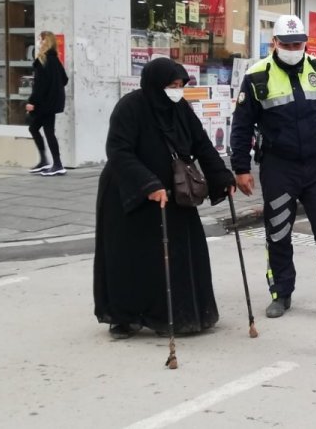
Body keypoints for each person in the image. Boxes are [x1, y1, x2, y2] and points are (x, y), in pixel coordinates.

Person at [230, 15, 316, 318]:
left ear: (306, 42)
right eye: (287, 44)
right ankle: (281, 293)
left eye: (298, 44)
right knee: (278, 233)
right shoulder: (256, 77)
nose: (293, 49)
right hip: (279, 167)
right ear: (274, 43)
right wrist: (240, 168)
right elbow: (241, 126)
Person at [93, 58, 237, 339]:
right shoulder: (130, 107)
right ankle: (125, 317)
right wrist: (147, 183)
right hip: (129, 193)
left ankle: (179, 315)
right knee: (131, 257)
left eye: (181, 85)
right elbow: (119, 150)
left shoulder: (180, 108)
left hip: (174, 192)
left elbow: (202, 145)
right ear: (155, 84)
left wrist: (222, 177)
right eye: (171, 85)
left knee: (182, 251)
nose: (176, 90)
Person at [26, 31, 69, 175]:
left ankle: (57, 164)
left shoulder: (42, 60)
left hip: (45, 103)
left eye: (40, 39)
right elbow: (64, 79)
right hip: (52, 102)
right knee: (34, 128)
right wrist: (55, 89)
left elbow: (39, 85)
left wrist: (32, 102)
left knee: (48, 132)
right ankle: (45, 161)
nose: (38, 42)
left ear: (46, 42)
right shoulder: (55, 60)